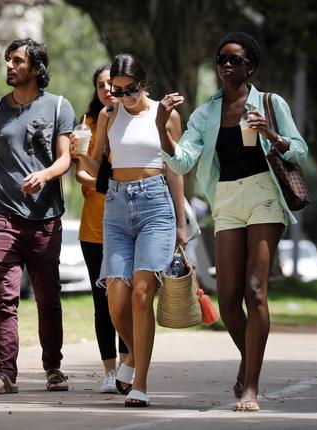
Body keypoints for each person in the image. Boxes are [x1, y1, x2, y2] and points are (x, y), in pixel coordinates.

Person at [156, 32, 307, 412]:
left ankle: (250, 386)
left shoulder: (270, 103)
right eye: (221, 59)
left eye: (234, 60)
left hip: (264, 195)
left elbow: (300, 149)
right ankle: (249, 361)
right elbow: (181, 161)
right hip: (226, 198)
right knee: (227, 303)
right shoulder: (205, 114)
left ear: (250, 66)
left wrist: (270, 134)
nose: (226, 65)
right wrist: (162, 126)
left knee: (255, 290)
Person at [77, 52, 187, 408]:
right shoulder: (109, 116)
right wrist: (80, 155)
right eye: (116, 90)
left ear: (145, 83)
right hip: (117, 206)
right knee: (115, 300)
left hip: (156, 204)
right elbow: (99, 164)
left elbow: (175, 168)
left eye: (130, 90)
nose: (122, 97)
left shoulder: (164, 115)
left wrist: (182, 224)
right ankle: (133, 356)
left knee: (142, 294)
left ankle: (139, 383)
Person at [0, 38, 75, 395]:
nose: (9, 66)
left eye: (17, 60)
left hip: (45, 218)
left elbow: (65, 159)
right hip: (3, 217)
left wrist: (44, 175)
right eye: (7, 60)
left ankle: (54, 368)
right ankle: (5, 374)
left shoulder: (60, 106)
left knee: (48, 297)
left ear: (36, 67)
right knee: (4, 297)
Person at [70, 64, 129, 393]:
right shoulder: (88, 124)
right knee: (102, 300)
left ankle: (126, 366)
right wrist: (111, 181)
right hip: (94, 227)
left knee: (126, 298)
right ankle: (109, 372)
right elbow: (80, 172)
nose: (106, 89)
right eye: (100, 84)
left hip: (126, 221)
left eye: (111, 83)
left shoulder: (131, 122)